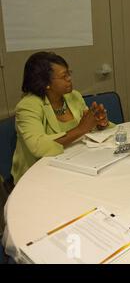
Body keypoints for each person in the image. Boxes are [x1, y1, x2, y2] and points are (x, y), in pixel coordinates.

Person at [12, 52, 110, 184]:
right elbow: (38, 147)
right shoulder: (28, 106)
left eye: (69, 73)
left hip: (75, 163)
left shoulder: (73, 96)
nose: (69, 79)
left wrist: (99, 123)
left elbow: (88, 126)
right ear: (45, 83)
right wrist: (81, 129)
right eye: (64, 76)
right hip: (38, 175)